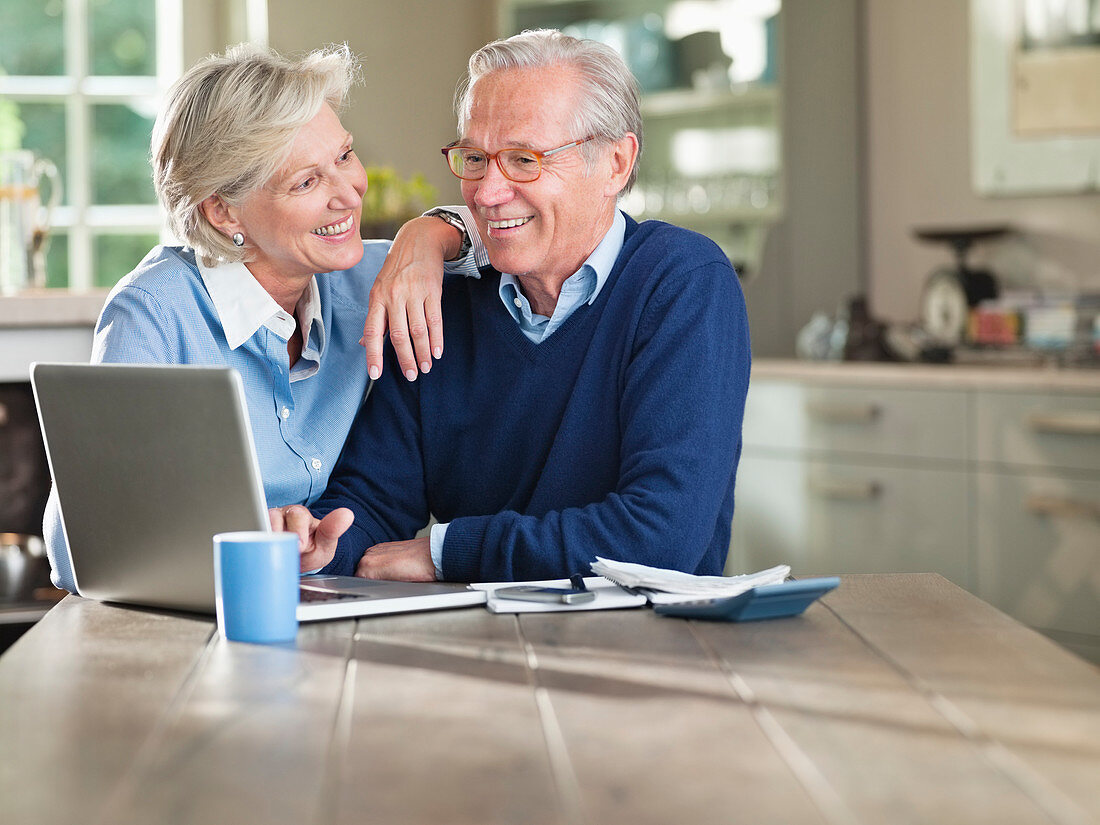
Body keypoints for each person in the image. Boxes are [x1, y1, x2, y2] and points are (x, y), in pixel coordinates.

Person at [277, 29, 751, 582]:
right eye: (475, 157)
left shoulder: (682, 283)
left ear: (616, 164)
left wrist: (446, 552)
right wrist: (322, 541)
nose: (486, 191)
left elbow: (659, 536)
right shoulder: (445, 298)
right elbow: (377, 498)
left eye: (525, 159)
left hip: (643, 650)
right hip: (480, 648)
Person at [42, 42, 490, 593]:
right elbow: (75, 550)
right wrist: (244, 532)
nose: (349, 193)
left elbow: (516, 231)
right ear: (223, 211)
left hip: (313, 600)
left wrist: (429, 233)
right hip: (182, 623)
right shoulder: (156, 314)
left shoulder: (371, 275)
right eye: (306, 182)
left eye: (345, 156)